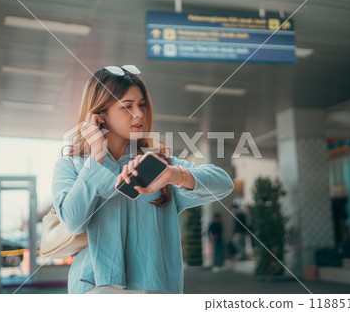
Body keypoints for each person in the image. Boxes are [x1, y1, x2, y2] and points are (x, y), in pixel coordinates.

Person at [51, 65, 235, 294]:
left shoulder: (158, 163)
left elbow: (223, 183)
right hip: (95, 289)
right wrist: (96, 155)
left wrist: (175, 175)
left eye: (142, 105)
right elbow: (73, 221)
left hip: (154, 291)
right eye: (127, 107)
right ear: (100, 115)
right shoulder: (72, 165)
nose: (139, 114)